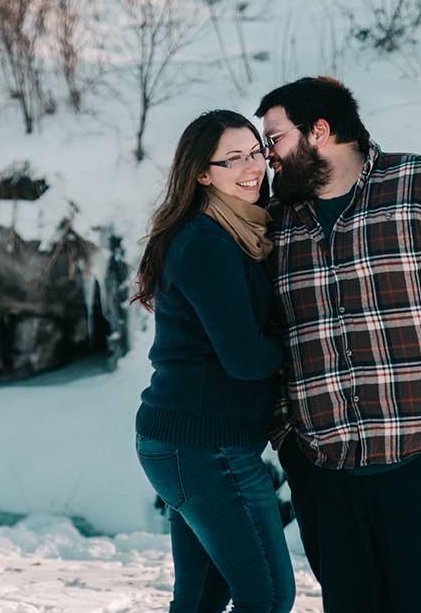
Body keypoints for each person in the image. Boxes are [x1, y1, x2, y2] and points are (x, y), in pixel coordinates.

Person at [256, 76, 421, 613]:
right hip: (324, 471)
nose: (268, 158)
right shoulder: (277, 223)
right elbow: (265, 334)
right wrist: (288, 438)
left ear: (320, 132)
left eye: (275, 139)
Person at [133, 109, 295, 613]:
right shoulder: (207, 242)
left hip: (187, 443)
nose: (251, 168)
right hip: (205, 448)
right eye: (233, 159)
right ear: (203, 173)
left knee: (202, 599)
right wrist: (310, 341)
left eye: (255, 154)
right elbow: (245, 358)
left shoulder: (237, 232)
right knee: (267, 595)